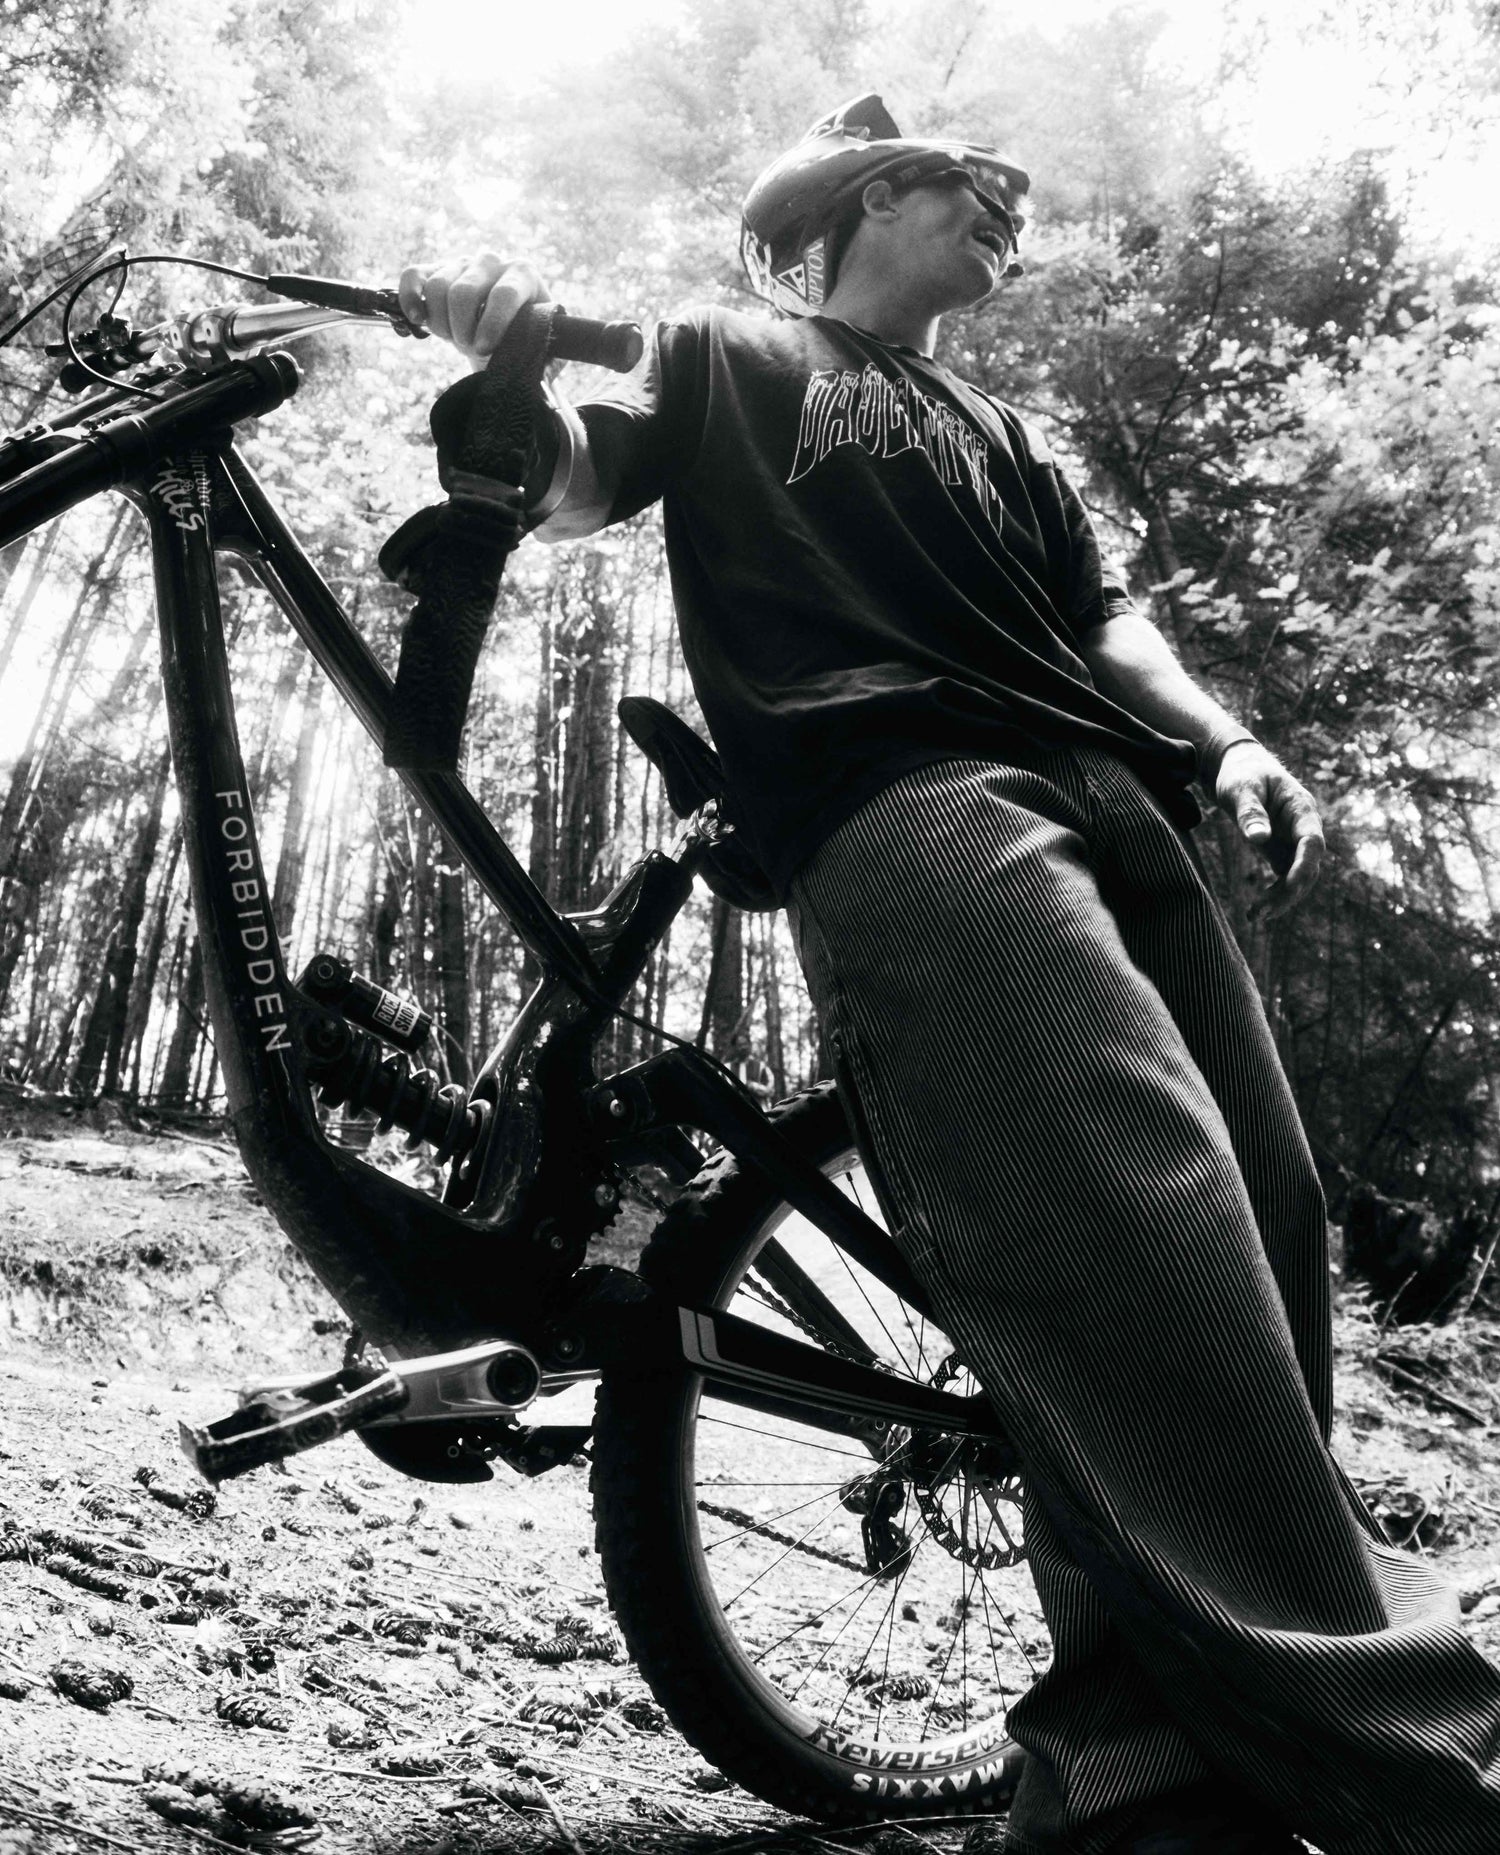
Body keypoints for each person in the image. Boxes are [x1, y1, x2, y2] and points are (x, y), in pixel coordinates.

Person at [398, 94, 1500, 1855]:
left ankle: (1138, 1769)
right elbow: (574, 487)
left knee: (1259, 1221)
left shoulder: (1007, 429)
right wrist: (502, 363)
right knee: (1125, 1214)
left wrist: (1224, 747)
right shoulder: (730, 351)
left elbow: (1105, 618)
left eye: (1020, 203)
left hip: (1113, 792)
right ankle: (1416, 1765)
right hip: (901, 787)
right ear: (862, 198)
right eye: (977, 189)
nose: (1011, 220)